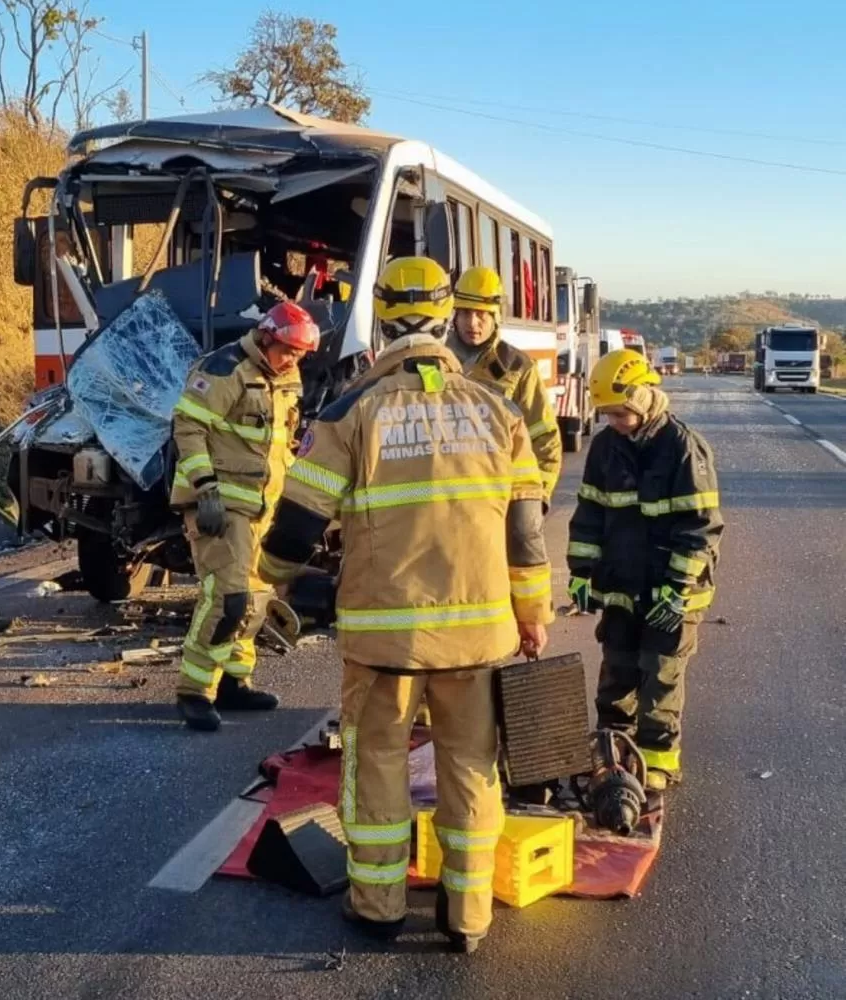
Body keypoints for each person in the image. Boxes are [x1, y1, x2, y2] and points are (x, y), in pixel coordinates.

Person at [258, 256, 555, 954]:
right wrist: (533, 614)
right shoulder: (498, 411)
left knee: (379, 764)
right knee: (470, 766)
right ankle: (468, 914)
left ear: (384, 318)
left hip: (384, 644)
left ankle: (379, 908)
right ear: (448, 317)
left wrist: (270, 580)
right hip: (479, 638)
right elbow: (526, 531)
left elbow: (299, 524)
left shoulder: (352, 411)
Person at [566, 349, 723, 790]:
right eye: (607, 414)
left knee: (660, 675)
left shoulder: (683, 449)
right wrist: (581, 570)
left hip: (674, 592)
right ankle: (612, 752)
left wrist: (676, 589)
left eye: (620, 413)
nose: (614, 421)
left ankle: (657, 762)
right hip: (623, 586)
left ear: (643, 396)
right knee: (616, 671)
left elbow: (701, 528)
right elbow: (590, 513)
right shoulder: (605, 446)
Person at [171, 302, 320, 732]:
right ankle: (194, 691)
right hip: (221, 504)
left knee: (255, 601)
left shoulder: (287, 377)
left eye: (299, 354)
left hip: (263, 505)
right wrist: (205, 489)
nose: (292, 360)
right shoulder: (224, 368)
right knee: (228, 598)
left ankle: (235, 680)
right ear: (266, 338)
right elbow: (188, 426)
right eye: (287, 350)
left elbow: (283, 443)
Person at [449, 266, 562, 508]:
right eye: (465, 313)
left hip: (499, 503)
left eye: (482, 314)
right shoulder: (435, 362)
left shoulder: (518, 368)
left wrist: (535, 500)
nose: (472, 323)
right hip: (446, 503)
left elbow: (545, 439)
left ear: (496, 317)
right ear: (454, 316)